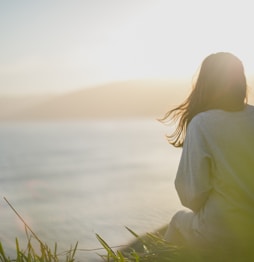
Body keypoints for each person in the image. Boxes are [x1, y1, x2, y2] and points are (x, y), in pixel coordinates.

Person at [160, 52, 254, 259]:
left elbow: (191, 196)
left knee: (177, 220)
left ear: (205, 84)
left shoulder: (202, 123)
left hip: (223, 232)